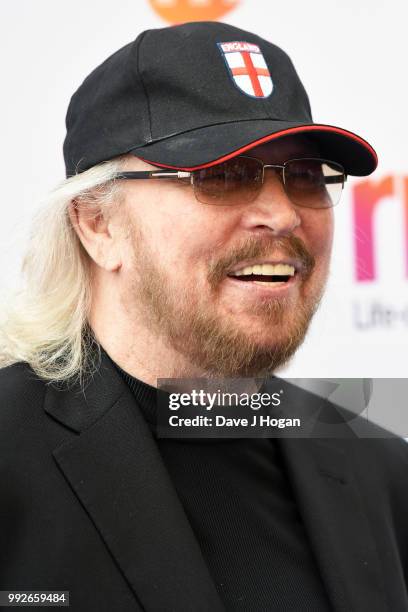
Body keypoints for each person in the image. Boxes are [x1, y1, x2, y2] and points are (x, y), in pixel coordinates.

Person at [0, 21, 407, 612]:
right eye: (223, 174)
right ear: (97, 224)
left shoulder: (381, 468)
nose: (283, 214)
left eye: (304, 176)